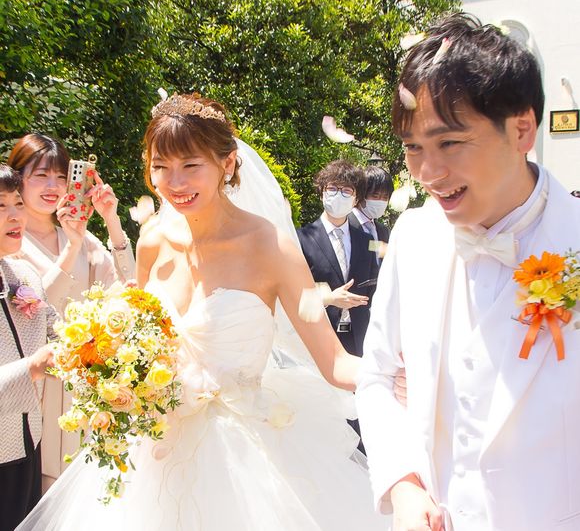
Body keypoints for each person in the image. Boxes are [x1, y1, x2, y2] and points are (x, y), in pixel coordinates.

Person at [17, 94, 388, 530]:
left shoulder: (271, 246)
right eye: (160, 166)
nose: (174, 182)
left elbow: (335, 362)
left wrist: (401, 375)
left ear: (226, 164)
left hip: (245, 462)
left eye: (191, 165)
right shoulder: (152, 240)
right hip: (150, 456)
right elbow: (142, 336)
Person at [356, 12, 580, 531]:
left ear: (521, 129)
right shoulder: (414, 235)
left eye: (450, 143)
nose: (428, 173)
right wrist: (403, 484)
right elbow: (378, 376)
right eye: (413, 147)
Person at [7, 133, 136, 490]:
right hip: (36, 392)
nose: (53, 187)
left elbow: (128, 288)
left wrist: (111, 220)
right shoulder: (10, 242)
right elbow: (31, 310)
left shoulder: (79, 236)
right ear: (18, 179)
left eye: (61, 177)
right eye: (41, 176)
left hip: (83, 390)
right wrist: (72, 248)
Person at [0, 164, 56, 531]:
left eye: (18, 203)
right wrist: (31, 368)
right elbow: (37, 361)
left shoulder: (24, 276)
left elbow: (58, 332)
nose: (15, 215)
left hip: (29, 441)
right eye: (1, 205)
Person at [297, 160, 378, 358]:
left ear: (356, 198)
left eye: (346, 191)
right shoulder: (302, 239)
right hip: (318, 338)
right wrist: (329, 299)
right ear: (322, 193)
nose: (338, 194)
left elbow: (373, 288)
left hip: (359, 340)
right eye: (332, 188)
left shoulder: (366, 241)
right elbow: (294, 293)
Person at [351, 165, 394, 265]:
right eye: (375, 196)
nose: (380, 201)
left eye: (385, 197)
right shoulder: (345, 224)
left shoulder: (383, 231)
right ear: (361, 195)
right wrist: (378, 246)